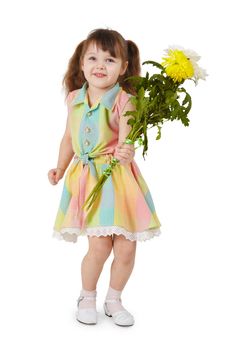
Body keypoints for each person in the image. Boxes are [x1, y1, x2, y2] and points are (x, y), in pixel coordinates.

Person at [48, 28, 162, 327]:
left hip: (118, 179)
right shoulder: (74, 98)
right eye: (93, 58)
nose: (101, 65)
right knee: (99, 245)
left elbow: (127, 138)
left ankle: (114, 299)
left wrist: (126, 151)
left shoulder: (124, 100)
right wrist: (60, 167)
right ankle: (87, 296)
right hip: (89, 178)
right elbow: (68, 138)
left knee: (126, 246)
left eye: (110, 60)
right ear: (81, 64)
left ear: (123, 67)